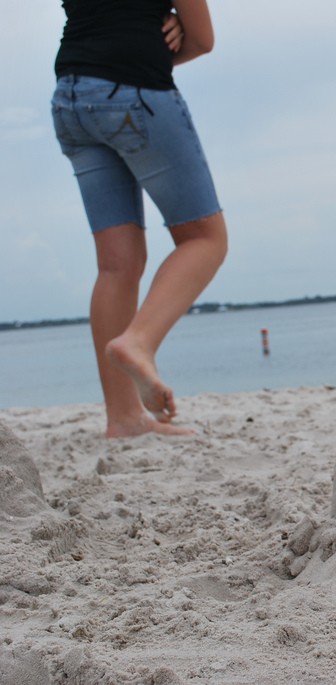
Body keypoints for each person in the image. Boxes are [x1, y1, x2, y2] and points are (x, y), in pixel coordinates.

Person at [51, 0, 228, 438]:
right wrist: (165, 35)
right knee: (205, 239)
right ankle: (139, 341)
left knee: (117, 263)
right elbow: (202, 39)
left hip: (71, 97)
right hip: (133, 92)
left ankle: (124, 419)